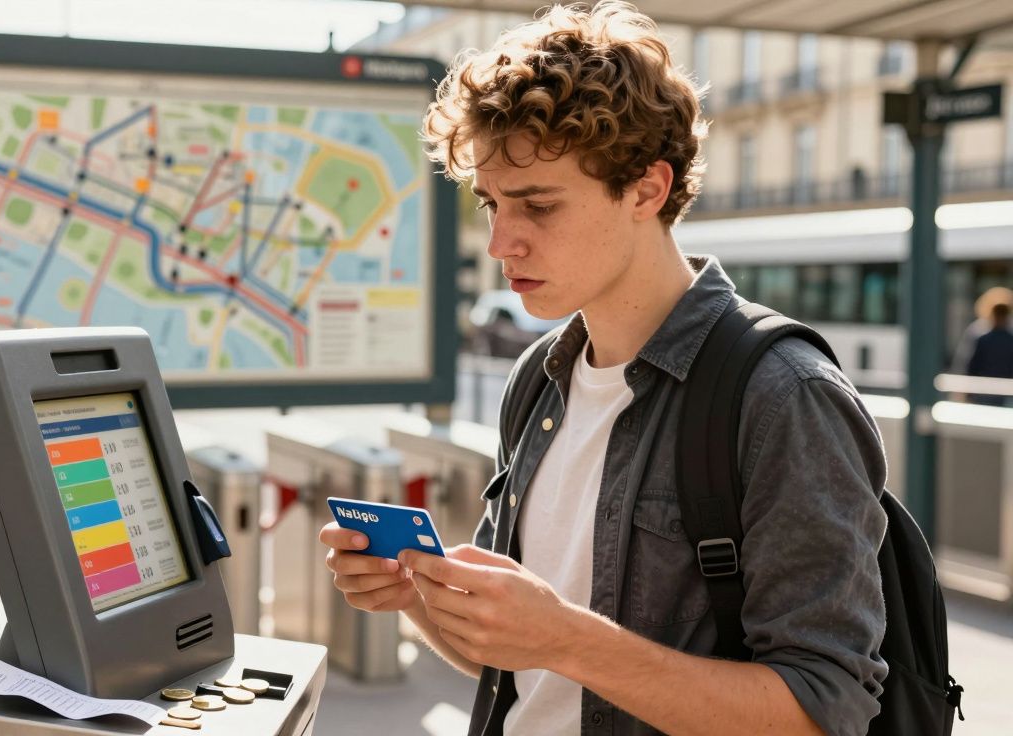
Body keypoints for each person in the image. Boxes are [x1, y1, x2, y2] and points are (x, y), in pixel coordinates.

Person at [319, 4, 887, 735]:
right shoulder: (539, 377)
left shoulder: (784, 396)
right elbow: (516, 664)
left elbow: (824, 710)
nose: (500, 242)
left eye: (539, 205)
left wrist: (568, 638)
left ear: (648, 190)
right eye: (491, 203)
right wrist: (414, 598)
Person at [965, 301, 1013, 406]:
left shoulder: (983, 340)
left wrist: (968, 392)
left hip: (988, 392)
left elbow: (972, 367)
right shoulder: (984, 340)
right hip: (999, 392)